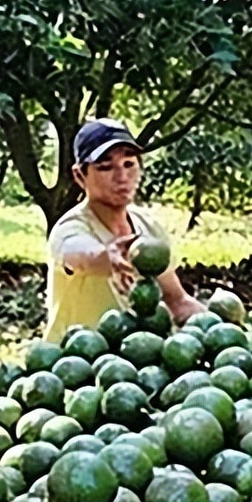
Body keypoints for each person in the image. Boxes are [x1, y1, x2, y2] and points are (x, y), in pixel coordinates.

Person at [44, 119, 206, 341]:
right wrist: (107, 257)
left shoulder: (149, 229)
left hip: (133, 363)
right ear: (80, 176)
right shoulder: (70, 227)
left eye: (129, 164)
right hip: (75, 366)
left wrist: (224, 328)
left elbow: (177, 302)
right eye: (105, 167)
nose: (122, 177)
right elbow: (78, 254)